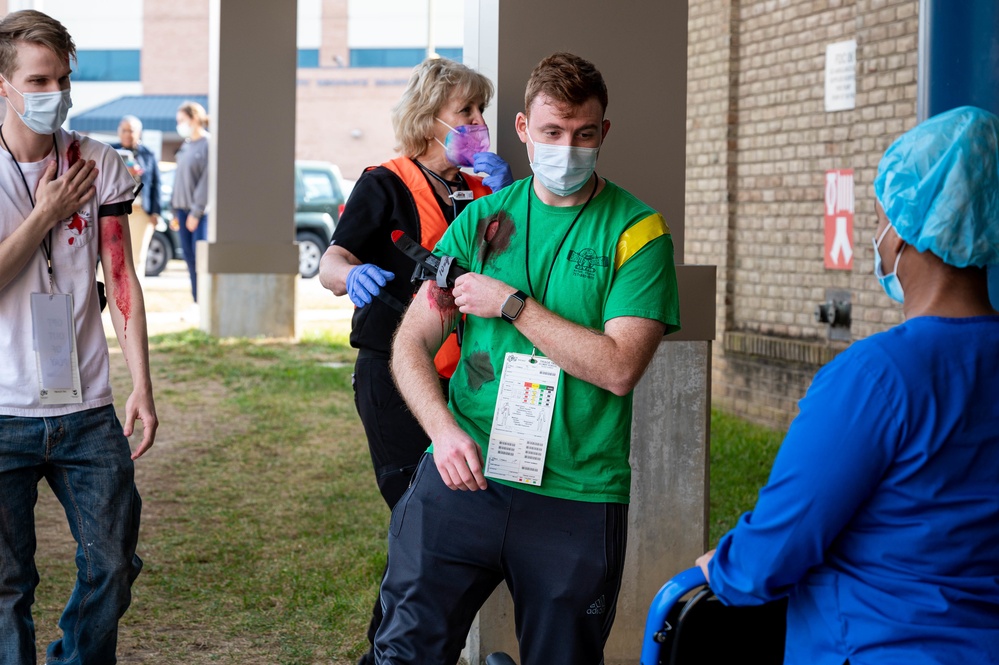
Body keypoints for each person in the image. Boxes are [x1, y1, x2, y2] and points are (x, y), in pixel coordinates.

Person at [381, 52, 680, 665]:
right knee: (405, 650)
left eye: (583, 134)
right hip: (466, 475)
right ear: (521, 129)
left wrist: (513, 305)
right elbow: (411, 344)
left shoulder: (637, 232)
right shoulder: (481, 222)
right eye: (551, 132)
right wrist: (442, 432)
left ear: (603, 133)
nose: (567, 148)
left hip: (576, 493)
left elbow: (619, 367)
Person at [696, 105, 999, 665]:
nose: (878, 237)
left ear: (909, 231)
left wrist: (724, 567)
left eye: (883, 218)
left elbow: (770, 556)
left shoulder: (876, 377)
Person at [318, 55, 513, 665]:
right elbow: (330, 261)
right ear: (430, 120)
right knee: (418, 520)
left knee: (440, 529)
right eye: (467, 112)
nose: (479, 121)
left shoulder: (485, 189)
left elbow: (513, 268)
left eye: (482, 110)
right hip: (395, 373)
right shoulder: (385, 182)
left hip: (471, 377)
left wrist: (508, 196)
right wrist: (353, 276)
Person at [0, 9, 157, 664]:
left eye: (62, 79)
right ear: (3, 85)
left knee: (114, 562)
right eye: (38, 80)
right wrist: (46, 213)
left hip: (87, 410)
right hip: (3, 410)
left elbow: (121, 279)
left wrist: (142, 385)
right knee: (6, 584)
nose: (54, 95)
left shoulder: (99, 164)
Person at [112, 114, 162, 284]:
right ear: (119, 132)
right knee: (112, 256)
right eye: (124, 130)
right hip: (115, 210)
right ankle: (105, 297)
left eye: (131, 131)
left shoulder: (148, 154)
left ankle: (134, 301)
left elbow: (156, 184)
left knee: (137, 257)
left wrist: (156, 212)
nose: (127, 134)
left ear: (139, 133)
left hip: (141, 211)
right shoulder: (109, 151)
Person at [171, 100, 209, 303]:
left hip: (199, 214)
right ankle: (197, 300)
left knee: (199, 258)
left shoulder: (207, 144)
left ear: (194, 119)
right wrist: (174, 212)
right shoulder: (186, 146)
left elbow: (206, 181)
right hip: (182, 211)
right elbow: (179, 180)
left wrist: (196, 212)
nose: (179, 125)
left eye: (182, 120)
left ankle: (204, 300)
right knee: (188, 258)